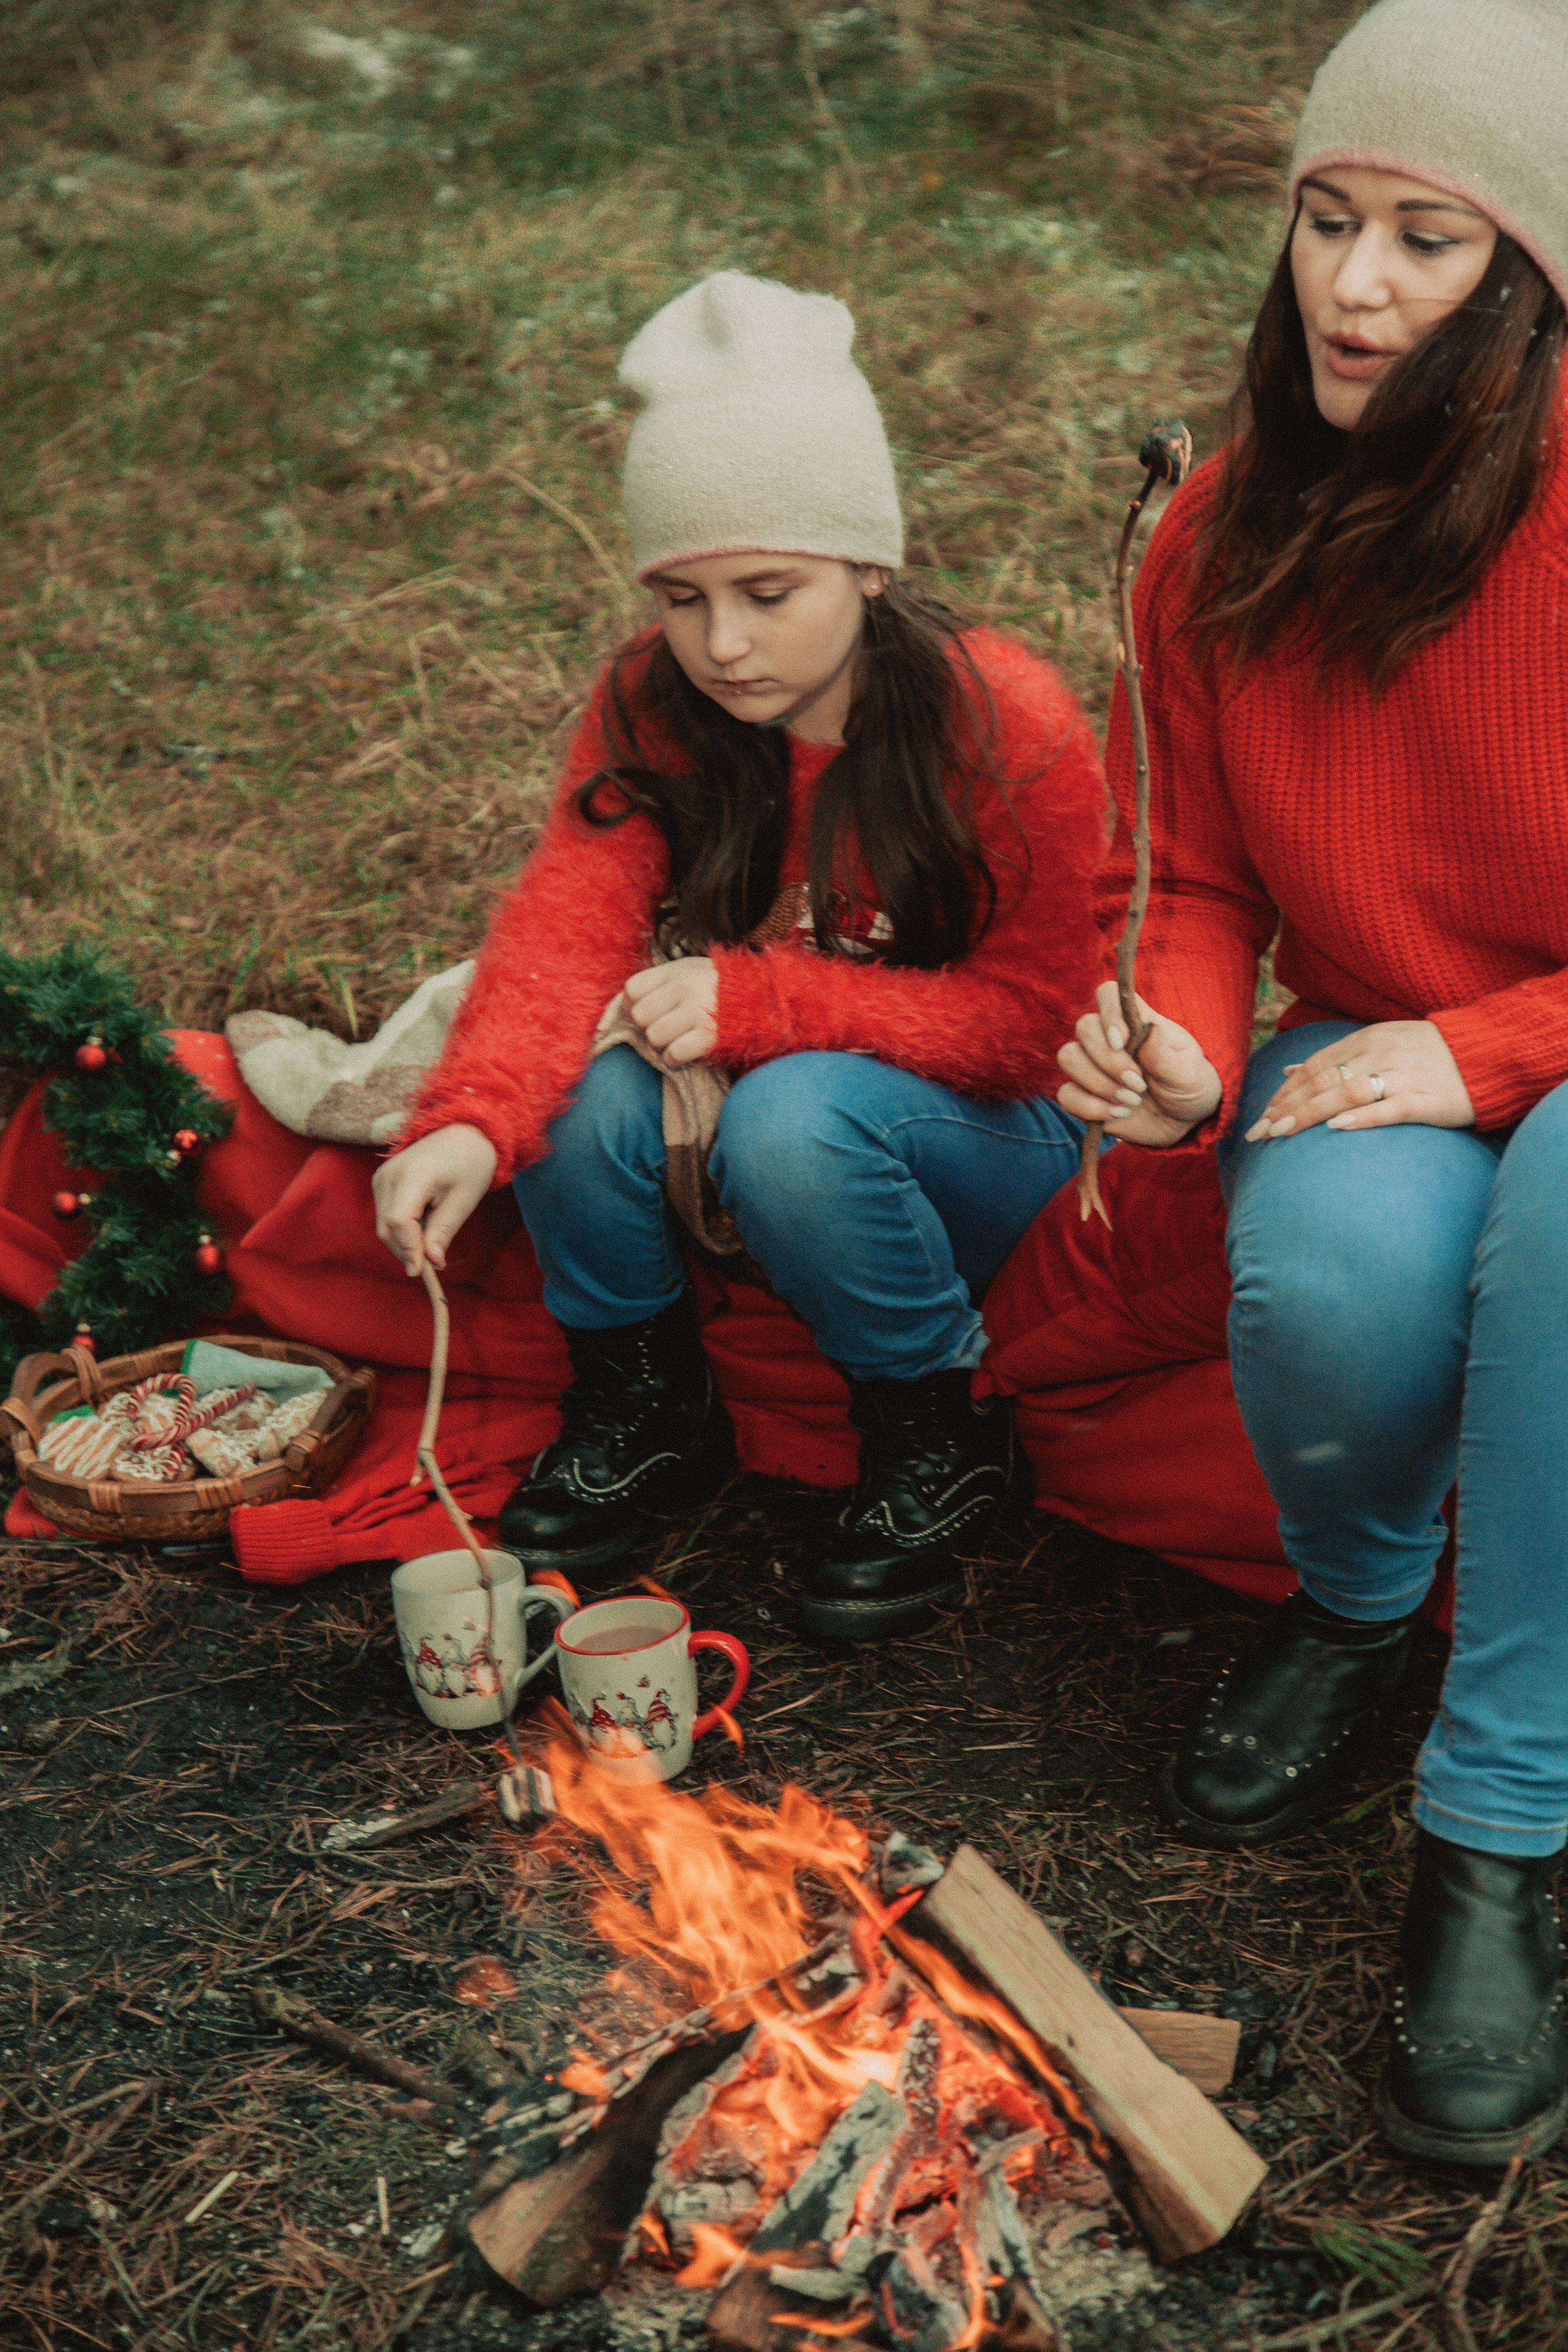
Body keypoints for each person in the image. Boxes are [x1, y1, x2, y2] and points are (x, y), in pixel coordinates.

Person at [1057, 0, 1568, 2165]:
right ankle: (1360, 1602)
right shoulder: (1222, 537)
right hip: (1374, 1055)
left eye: (1428, 240)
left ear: (1531, 278)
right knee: (1332, 1286)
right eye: (1324, 220)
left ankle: (1504, 1815)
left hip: (1526, 1056)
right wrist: (1171, 1029)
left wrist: (1482, 1046)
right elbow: (1179, 862)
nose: (1352, 288)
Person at [374, 271, 1106, 1643]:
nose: (721, 643)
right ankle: (645, 1402)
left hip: (988, 1140)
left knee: (786, 1111)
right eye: (680, 597)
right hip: (788, 1099)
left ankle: (931, 1426)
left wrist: (762, 999)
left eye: (769, 592)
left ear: (867, 564)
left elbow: (1034, 1026)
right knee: (575, 1087)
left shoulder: (1001, 722)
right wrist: (469, 1119)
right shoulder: (652, 702)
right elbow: (562, 927)